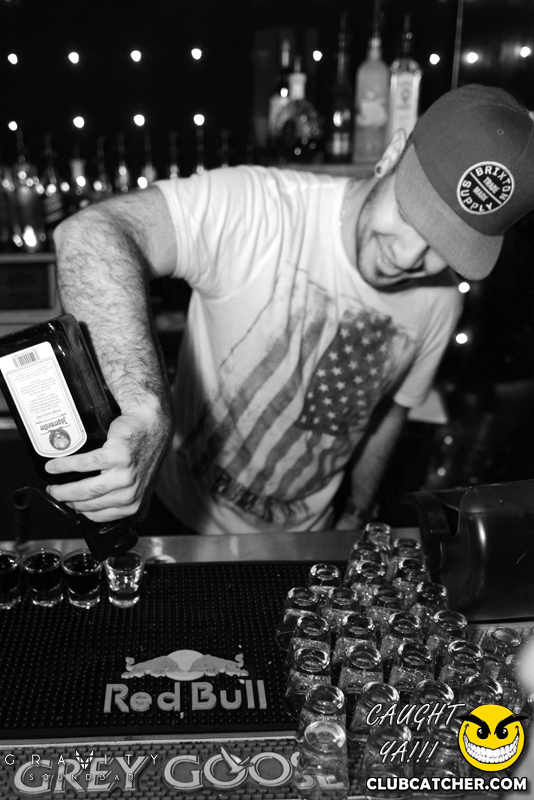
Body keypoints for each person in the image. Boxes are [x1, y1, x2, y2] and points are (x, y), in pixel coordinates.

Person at [46, 84, 534, 536]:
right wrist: (143, 407)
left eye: (444, 246)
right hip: (177, 516)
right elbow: (91, 233)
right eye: (409, 212)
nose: (408, 257)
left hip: (305, 542)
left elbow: (391, 409)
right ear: (390, 156)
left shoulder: (442, 300)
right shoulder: (262, 208)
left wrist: (357, 512)